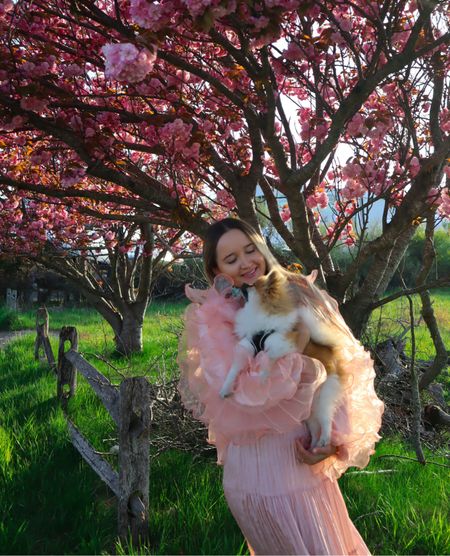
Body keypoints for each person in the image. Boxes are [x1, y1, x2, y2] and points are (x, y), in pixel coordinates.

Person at [178, 217, 384, 555]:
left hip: (296, 465)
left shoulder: (298, 295)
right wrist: (293, 350)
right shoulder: (213, 319)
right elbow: (241, 393)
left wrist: (332, 439)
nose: (246, 263)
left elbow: (340, 367)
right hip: (247, 478)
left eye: (250, 250)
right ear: (217, 271)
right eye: (231, 259)